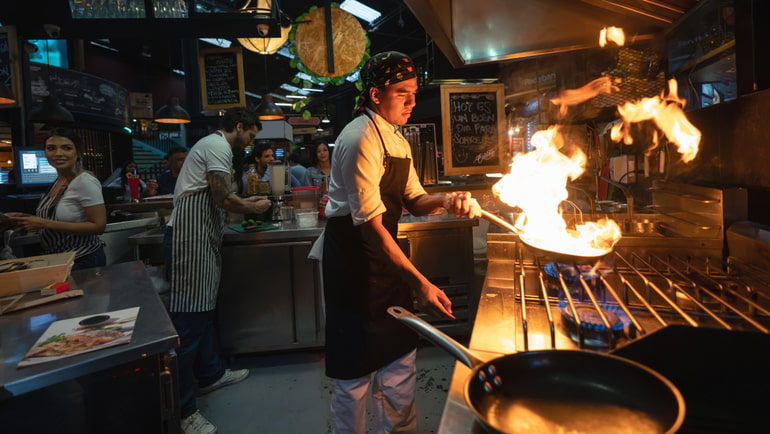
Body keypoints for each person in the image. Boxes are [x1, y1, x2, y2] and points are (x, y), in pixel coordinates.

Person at [321, 51, 478, 433]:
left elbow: (415, 200)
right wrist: (420, 284)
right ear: (375, 95)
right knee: (354, 374)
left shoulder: (398, 140)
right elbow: (371, 229)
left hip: (387, 265)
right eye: (401, 93)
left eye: (414, 92)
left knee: (399, 361)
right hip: (354, 266)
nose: (412, 101)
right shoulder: (359, 138)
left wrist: (446, 201)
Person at [164, 107, 272, 434]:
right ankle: (183, 412)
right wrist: (254, 205)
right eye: (250, 135)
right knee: (190, 320)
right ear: (238, 127)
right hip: (188, 238)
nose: (250, 141)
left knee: (203, 313)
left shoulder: (215, 146)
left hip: (200, 236)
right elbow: (223, 196)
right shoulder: (218, 146)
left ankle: (210, 374)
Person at [5, 128, 107, 271]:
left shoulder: (85, 182)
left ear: (78, 152)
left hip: (84, 260)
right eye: (51, 148)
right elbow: (58, 217)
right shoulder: (58, 181)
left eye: (66, 148)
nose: (58, 153)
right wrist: (24, 218)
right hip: (61, 260)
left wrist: (44, 223)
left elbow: (99, 226)